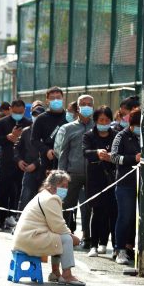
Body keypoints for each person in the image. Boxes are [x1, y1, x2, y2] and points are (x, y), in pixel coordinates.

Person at [13, 170, 85, 286]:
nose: (65, 189)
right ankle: (67, 275)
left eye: (66, 186)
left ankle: (55, 273)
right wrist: (73, 237)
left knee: (58, 237)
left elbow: (55, 228)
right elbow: (58, 226)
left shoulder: (44, 195)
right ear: (52, 186)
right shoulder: (51, 199)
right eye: (62, 186)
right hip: (30, 239)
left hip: (25, 239)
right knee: (66, 239)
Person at [58, 94, 95, 247]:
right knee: (66, 206)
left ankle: (87, 237)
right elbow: (62, 153)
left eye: (89, 104)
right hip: (72, 173)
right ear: (77, 107)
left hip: (93, 174)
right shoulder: (68, 128)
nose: (86, 106)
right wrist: (61, 176)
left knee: (89, 207)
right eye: (83, 104)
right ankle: (64, 236)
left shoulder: (97, 127)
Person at [82, 106, 117, 257]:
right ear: (96, 121)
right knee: (96, 211)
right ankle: (93, 244)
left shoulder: (116, 135)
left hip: (113, 178)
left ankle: (104, 242)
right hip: (95, 178)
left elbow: (119, 153)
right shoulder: (89, 136)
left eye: (107, 120)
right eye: (101, 120)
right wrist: (97, 153)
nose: (104, 122)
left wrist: (111, 156)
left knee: (111, 211)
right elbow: (85, 152)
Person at [0, 99, 32, 230]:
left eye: (20, 112)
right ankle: (1, 219)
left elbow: (31, 143)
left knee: (20, 192)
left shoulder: (28, 123)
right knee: (3, 191)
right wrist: (8, 137)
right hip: (6, 162)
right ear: (10, 109)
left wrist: (21, 138)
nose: (18, 114)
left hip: (22, 162)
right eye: (15, 112)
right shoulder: (2, 122)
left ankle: (16, 217)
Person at [111, 108, 142, 264]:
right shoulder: (121, 136)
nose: (139, 128)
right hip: (125, 183)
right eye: (136, 125)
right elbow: (114, 157)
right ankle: (120, 249)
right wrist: (133, 158)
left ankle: (135, 248)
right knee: (125, 216)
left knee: (139, 219)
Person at [31, 87, 68, 173]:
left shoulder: (69, 117)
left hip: (67, 160)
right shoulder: (41, 119)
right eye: (52, 98)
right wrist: (46, 150)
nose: (56, 100)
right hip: (48, 161)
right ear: (47, 101)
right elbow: (34, 140)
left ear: (63, 99)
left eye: (58, 97)